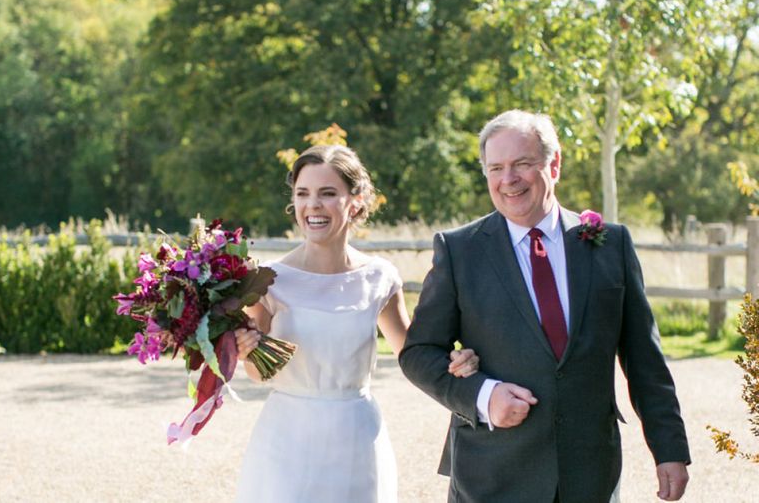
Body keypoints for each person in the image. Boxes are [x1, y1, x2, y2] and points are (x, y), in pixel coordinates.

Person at [399, 109, 691, 503]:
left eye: (522, 164)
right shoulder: (459, 250)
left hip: (589, 474)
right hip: (491, 475)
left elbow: (644, 359)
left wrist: (669, 449)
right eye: (495, 168)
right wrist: (484, 395)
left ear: (554, 164)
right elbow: (419, 353)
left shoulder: (610, 244)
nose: (508, 180)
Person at [233, 144, 479, 502]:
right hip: (286, 439)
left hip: (356, 436)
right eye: (303, 194)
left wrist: (457, 363)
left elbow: (412, 354)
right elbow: (259, 374)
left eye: (328, 193)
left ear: (357, 201)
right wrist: (246, 351)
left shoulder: (380, 276)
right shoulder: (268, 279)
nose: (313, 205)